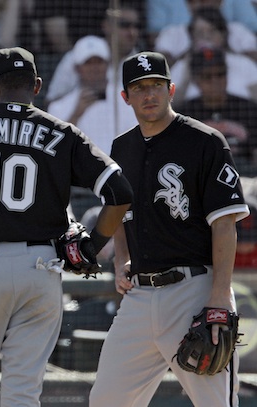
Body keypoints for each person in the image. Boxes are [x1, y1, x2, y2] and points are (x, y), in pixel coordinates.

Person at [0, 46, 133, 407]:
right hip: (42, 269)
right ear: (36, 85)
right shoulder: (62, 131)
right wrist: (92, 247)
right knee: (23, 394)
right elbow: (120, 192)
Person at [89, 51, 248, 406]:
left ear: (171, 89)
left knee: (215, 403)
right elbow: (118, 208)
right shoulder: (121, 147)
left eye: (157, 85)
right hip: (140, 297)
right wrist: (121, 260)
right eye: (140, 87)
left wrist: (219, 297)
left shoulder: (205, 141)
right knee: (106, 400)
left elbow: (224, 223)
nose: (149, 94)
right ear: (125, 97)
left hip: (194, 291)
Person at [47, 35, 138, 155]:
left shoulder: (127, 100)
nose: (94, 68)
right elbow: (53, 148)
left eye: (99, 62)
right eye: (88, 63)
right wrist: (76, 114)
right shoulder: (58, 107)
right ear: (77, 68)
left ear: (108, 64)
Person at [45, 1, 142, 104]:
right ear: (106, 26)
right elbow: (51, 101)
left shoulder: (141, 63)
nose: (132, 32)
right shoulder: (78, 56)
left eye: (136, 26)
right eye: (124, 25)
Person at [178, 47, 257, 172]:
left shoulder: (248, 108)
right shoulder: (184, 113)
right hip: (201, 176)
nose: (215, 81)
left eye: (220, 74)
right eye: (207, 76)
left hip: (243, 174)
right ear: (196, 80)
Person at [164, 7, 257, 105]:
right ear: (192, 38)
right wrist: (187, 74)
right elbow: (169, 105)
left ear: (223, 35)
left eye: (212, 31)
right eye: (199, 33)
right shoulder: (182, 66)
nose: (206, 37)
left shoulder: (243, 63)